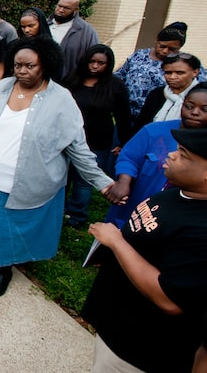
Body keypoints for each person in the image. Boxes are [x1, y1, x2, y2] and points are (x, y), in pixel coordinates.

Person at [0, 37, 114, 296]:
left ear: (46, 65)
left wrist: (103, 182)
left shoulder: (61, 99)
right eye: (17, 65)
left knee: (9, 229)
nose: (21, 71)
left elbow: (77, 147)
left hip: (24, 183)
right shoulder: (2, 88)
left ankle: (4, 269)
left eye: (29, 66)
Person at [81, 128, 207, 373]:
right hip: (115, 325)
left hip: (137, 350)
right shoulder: (177, 192)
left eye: (183, 155)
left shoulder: (202, 229)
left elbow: (170, 299)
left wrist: (117, 243)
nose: (170, 155)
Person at [102, 82, 207, 229]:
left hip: (179, 220)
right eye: (189, 106)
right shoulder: (154, 131)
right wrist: (124, 181)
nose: (195, 112)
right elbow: (129, 158)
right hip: (135, 209)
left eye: (205, 109)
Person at [62, 44, 132, 228]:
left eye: (101, 63)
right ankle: (58, 209)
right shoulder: (71, 80)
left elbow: (123, 116)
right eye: (92, 61)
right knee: (62, 178)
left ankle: (76, 215)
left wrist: (124, 142)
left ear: (108, 65)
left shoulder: (115, 85)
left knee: (84, 180)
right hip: (66, 138)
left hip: (97, 140)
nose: (95, 66)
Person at [114, 22, 206, 119]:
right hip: (125, 113)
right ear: (156, 40)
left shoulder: (184, 63)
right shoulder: (139, 56)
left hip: (157, 114)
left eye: (172, 49)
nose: (165, 51)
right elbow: (119, 77)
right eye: (162, 46)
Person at [133, 52, 202, 133]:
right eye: (168, 73)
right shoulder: (157, 94)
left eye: (179, 73)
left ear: (195, 72)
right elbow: (140, 124)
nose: (172, 77)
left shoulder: (202, 96)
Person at [47, 0, 99, 80]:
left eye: (66, 8)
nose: (61, 10)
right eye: (59, 6)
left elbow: (93, 58)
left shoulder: (87, 32)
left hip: (67, 84)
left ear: (76, 10)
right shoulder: (42, 25)